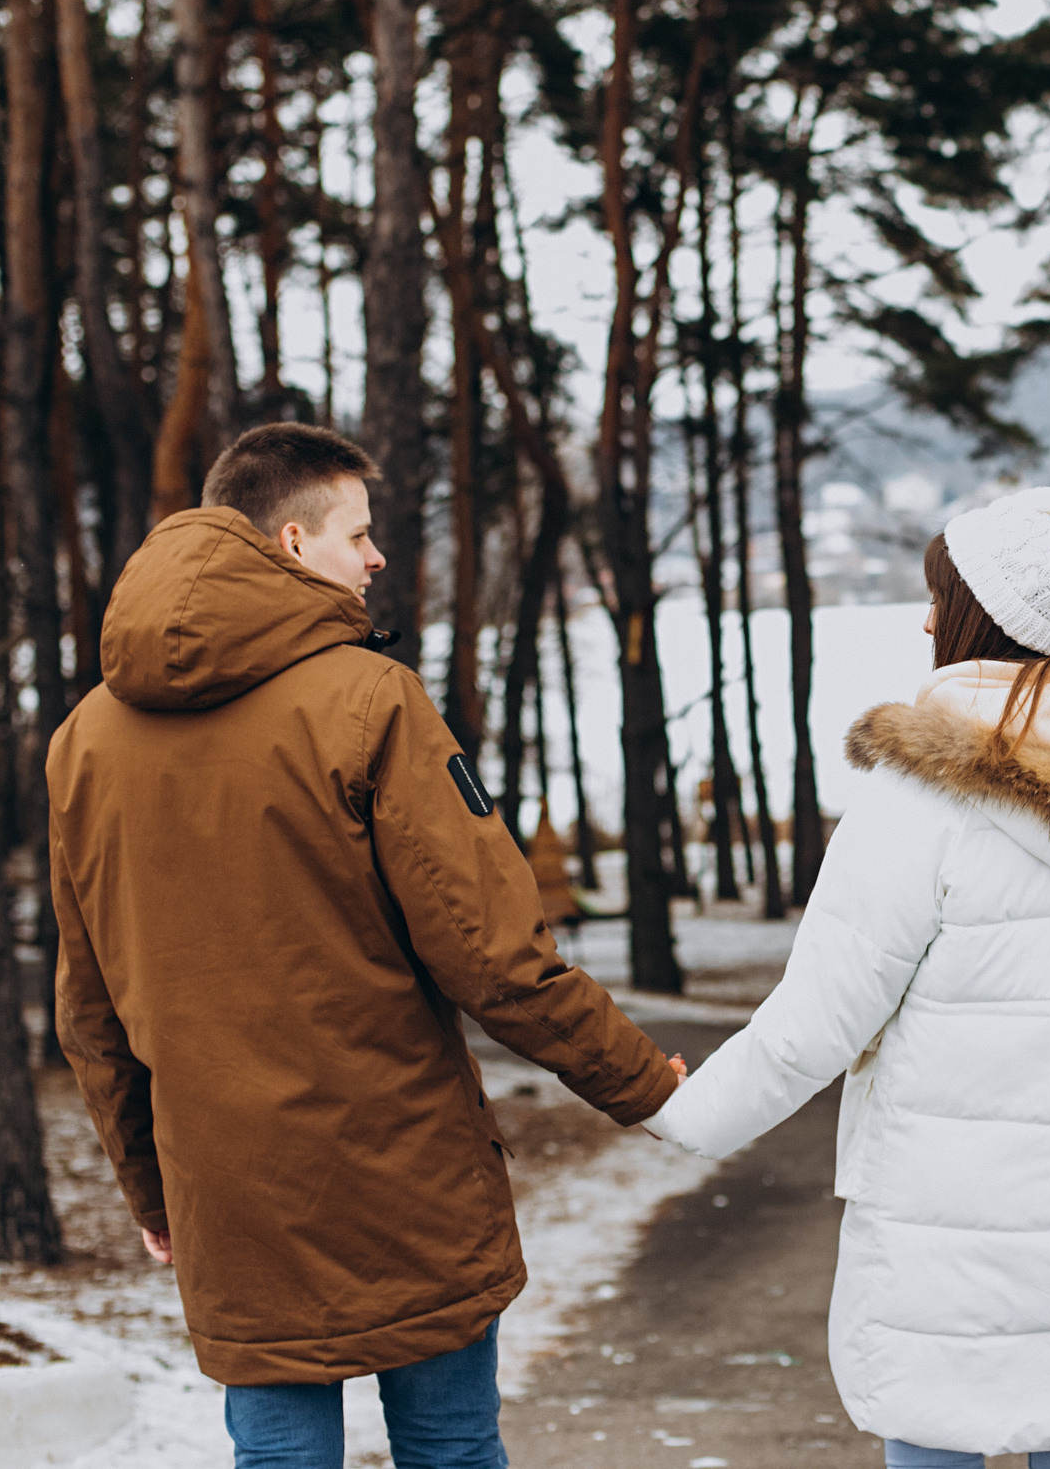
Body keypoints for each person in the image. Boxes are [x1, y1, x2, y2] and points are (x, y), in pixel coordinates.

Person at [48, 423, 683, 1469]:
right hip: (403, 1173)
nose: (376, 557)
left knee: (280, 1460)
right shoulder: (368, 700)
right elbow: (494, 955)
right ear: (290, 543)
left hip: (228, 1189)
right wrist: (640, 1085)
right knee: (447, 1446)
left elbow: (91, 1005)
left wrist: (151, 1187)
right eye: (359, 534)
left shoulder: (84, 738)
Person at [646, 486, 1050, 1469]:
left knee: (934, 1435)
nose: (926, 618)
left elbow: (816, 1020)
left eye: (940, 596)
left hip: (946, 1233)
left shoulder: (915, 804)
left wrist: (680, 1115)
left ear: (978, 617)